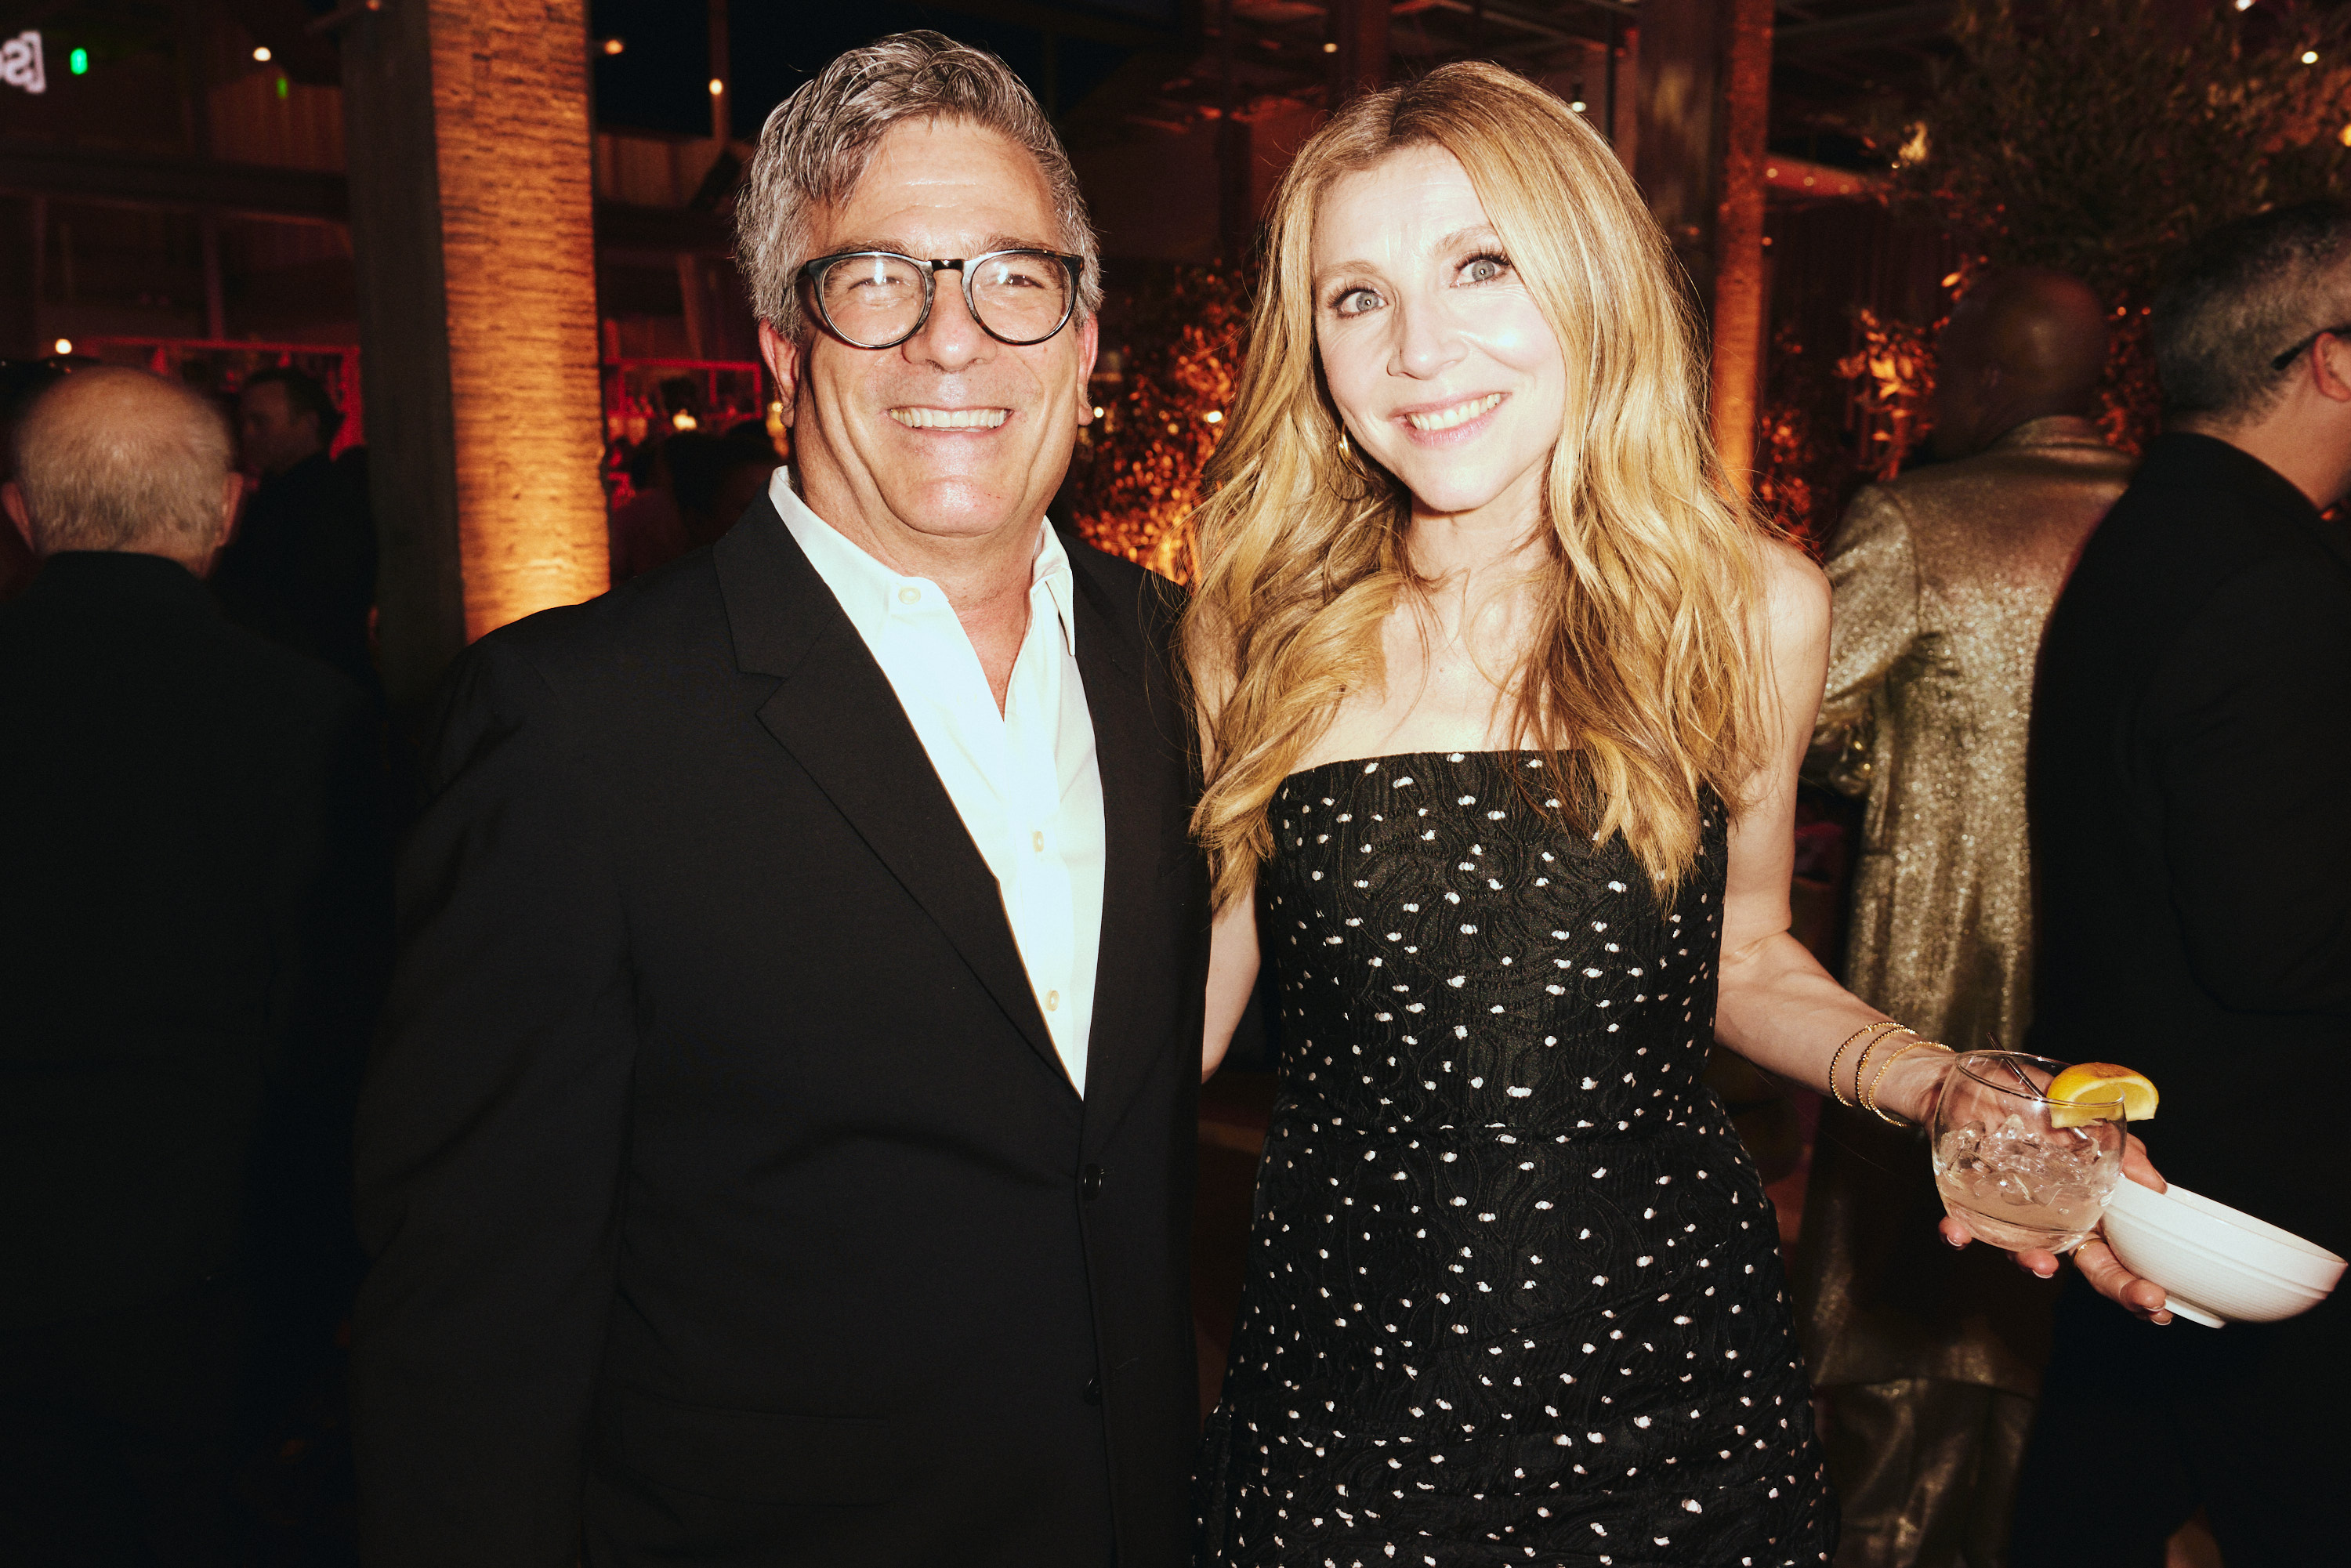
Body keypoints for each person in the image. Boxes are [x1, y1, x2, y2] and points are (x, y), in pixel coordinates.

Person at [1181, 63, 2169, 1566]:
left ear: (1592, 281)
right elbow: (1181, 1016)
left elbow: (1745, 954)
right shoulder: (1254, 628)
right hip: (1348, 1385)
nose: (1418, 350)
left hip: (1667, 1378)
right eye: (1356, 298)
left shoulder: (1748, 607)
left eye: (1482, 266)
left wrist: (1949, 1088)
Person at [351, 33, 1208, 1568]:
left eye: (1012, 279)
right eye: (877, 281)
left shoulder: (1190, 671)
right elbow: (471, 1332)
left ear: (1084, 336)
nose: (952, 341)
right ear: (782, 347)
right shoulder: (576, 725)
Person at [2013, 203, 2351, 1568]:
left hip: (2152, 1149)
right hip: (2255, 1195)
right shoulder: (2271, 576)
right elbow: (2283, 942)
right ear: (2334, 360)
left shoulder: (2156, 530)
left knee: (2088, 1509)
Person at [0, 368, 384, 1564]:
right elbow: (335, 1022)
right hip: (209, 1258)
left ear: (20, 513)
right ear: (226, 508)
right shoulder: (308, 717)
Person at [1794, 269, 2134, 1568]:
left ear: (1986, 380)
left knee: (1899, 1388)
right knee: (2056, 1402)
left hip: (1929, 1006)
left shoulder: (1916, 522)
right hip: (2114, 1030)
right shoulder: (2170, 522)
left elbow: (1794, 717)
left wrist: (1896, 758)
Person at [210, 365, 380, 696]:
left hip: (311, 680)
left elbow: (313, 606)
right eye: (244, 423)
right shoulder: (272, 493)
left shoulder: (327, 500)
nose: (247, 434)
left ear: (309, 424)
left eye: (261, 422)